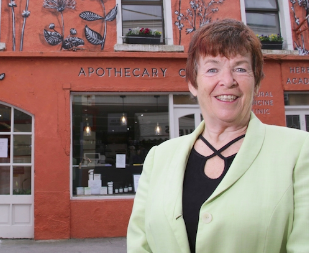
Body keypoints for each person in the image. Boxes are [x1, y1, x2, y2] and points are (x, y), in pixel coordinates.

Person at [126, 19, 309, 253]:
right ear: (193, 83)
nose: (227, 81)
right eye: (212, 69)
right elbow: (140, 244)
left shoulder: (299, 151)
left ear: (257, 82)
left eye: (240, 68)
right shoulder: (159, 157)